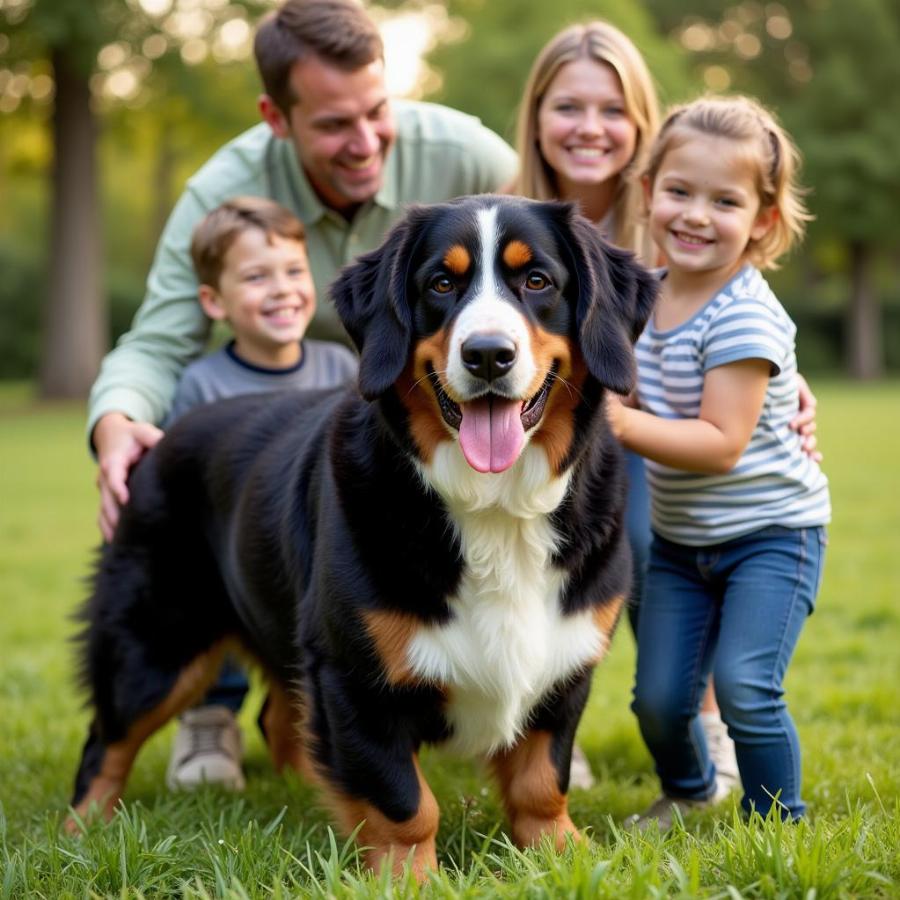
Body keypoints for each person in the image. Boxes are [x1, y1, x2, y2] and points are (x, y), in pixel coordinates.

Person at [88, 0, 518, 542]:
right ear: (276, 119)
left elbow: (546, 268)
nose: (365, 143)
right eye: (335, 124)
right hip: (311, 447)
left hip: (454, 428)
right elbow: (157, 343)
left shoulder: (471, 156)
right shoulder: (220, 193)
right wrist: (115, 423)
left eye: (378, 111)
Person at [510, 20, 745, 792]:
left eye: (613, 110)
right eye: (568, 107)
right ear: (537, 116)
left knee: (651, 542)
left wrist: (787, 385)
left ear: (642, 123)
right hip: (536, 437)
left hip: (651, 435)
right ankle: (540, 721)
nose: (590, 129)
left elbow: (739, 318)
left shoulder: (675, 219)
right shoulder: (503, 216)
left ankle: (707, 720)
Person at [604, 95, 830, 828]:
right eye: (679, 191)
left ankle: (778, 822)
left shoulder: (745, 315)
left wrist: (620, 422)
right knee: (661, 699)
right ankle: (691, 789)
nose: (696, 214)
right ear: (647, 193)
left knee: (743, 687)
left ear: (763, 219)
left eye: (724, 200)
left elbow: (720, 444)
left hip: (772, 538)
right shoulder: (646, 295)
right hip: (678, 544)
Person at [161, 196, 358, 790]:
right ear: (213, 303)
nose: (281, 290)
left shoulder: (340, 367)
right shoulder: (203, 385)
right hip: (226, 545)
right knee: (212, 622)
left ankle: (294, 730)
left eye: (294, 272)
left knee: (308, 642)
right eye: (255, 277)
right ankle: (208, 718)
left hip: (309, 545)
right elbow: (184, 479)